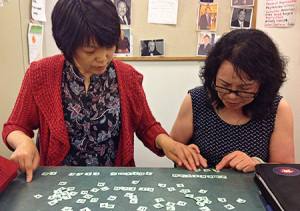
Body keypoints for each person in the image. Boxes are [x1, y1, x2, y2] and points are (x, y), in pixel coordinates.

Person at [2, 0, 200, 183]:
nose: (103, 58)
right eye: (90, 51)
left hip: (115, 184)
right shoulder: (40, 74)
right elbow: (15, 126)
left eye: (110, 46)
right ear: (67, 45)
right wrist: (23, 142)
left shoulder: (127, 77)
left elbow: (146, 125)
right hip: (56, 184)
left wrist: (168, 144)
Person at [170, 29, 295, 173]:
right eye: (224, 85)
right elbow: (172, 146)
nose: (232, 96)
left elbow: (285, 169)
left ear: (264, 83)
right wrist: (184, 154)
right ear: (213, 76)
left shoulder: (277, 109)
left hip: (251, 191)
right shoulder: (196, 99)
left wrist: (257, 164)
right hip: (197, 189)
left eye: (244, 88)